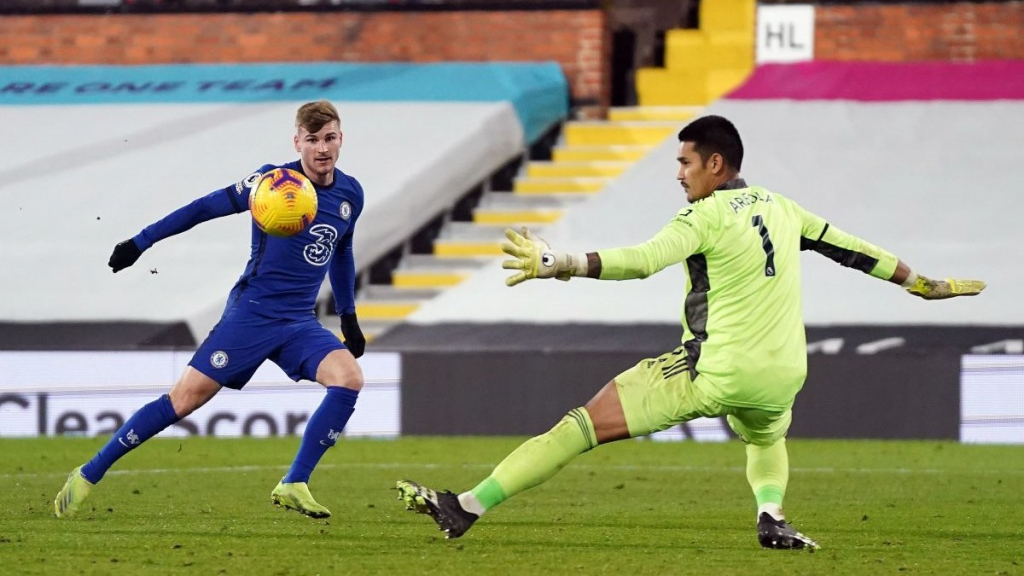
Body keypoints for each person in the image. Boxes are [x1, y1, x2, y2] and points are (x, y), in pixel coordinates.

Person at [396, 115, 986, 549]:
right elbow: (856, 251)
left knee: (580, 425)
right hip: (783, 375)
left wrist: (563, 264)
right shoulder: (784, 207)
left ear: (715, 165)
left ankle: (465, 506)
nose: (678, 174)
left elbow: (644, 259)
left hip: (716, 370)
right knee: (763, 440)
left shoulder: (702, 216)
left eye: (685, 162)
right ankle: (772, 515)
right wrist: (924, 285)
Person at [55, 100, 366, 520]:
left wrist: (348, 315)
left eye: (329, 138)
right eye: (312, 140)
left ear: (341, 139)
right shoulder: (270, 183)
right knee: (183, 401)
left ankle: (295, 481)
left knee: (348, 379)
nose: (322, 148)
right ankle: (89, 473)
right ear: (298, 142)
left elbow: (342, 252)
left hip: (297, 322)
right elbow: (205, 206)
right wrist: (141, 241)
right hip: (251, 314)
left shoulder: (351, 193)